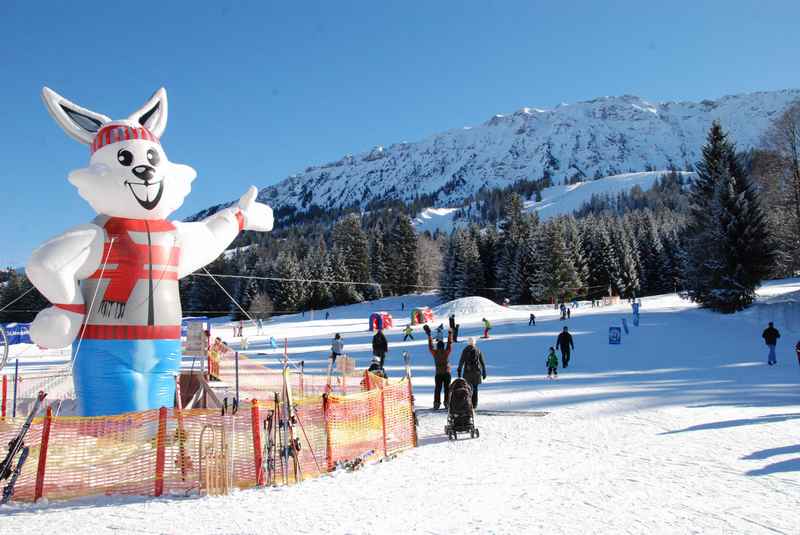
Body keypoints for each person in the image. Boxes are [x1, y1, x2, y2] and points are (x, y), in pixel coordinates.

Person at [458, 337, 486, 409]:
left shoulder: (465, 350)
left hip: (467, 373)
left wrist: (459, 369)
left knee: (467, 388)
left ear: (468, 342)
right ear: (474, 342)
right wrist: (484, 371)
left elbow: (462, 360)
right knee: (475, 388)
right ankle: (475, 404)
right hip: (477, 372)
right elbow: (482, 362)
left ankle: (468, 403)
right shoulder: (478, 350)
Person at [428, 330, 453, 409]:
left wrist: (429, 336)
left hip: (438, 373)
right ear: (443, 346)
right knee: (447, 388)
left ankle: (436, 404)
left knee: (437, 389)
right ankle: (447, 403)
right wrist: (450, 335)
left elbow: (430, 346)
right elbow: (449, 344)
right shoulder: (446, 352)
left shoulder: (435, 353)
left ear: (437, 346)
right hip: (447, 372)